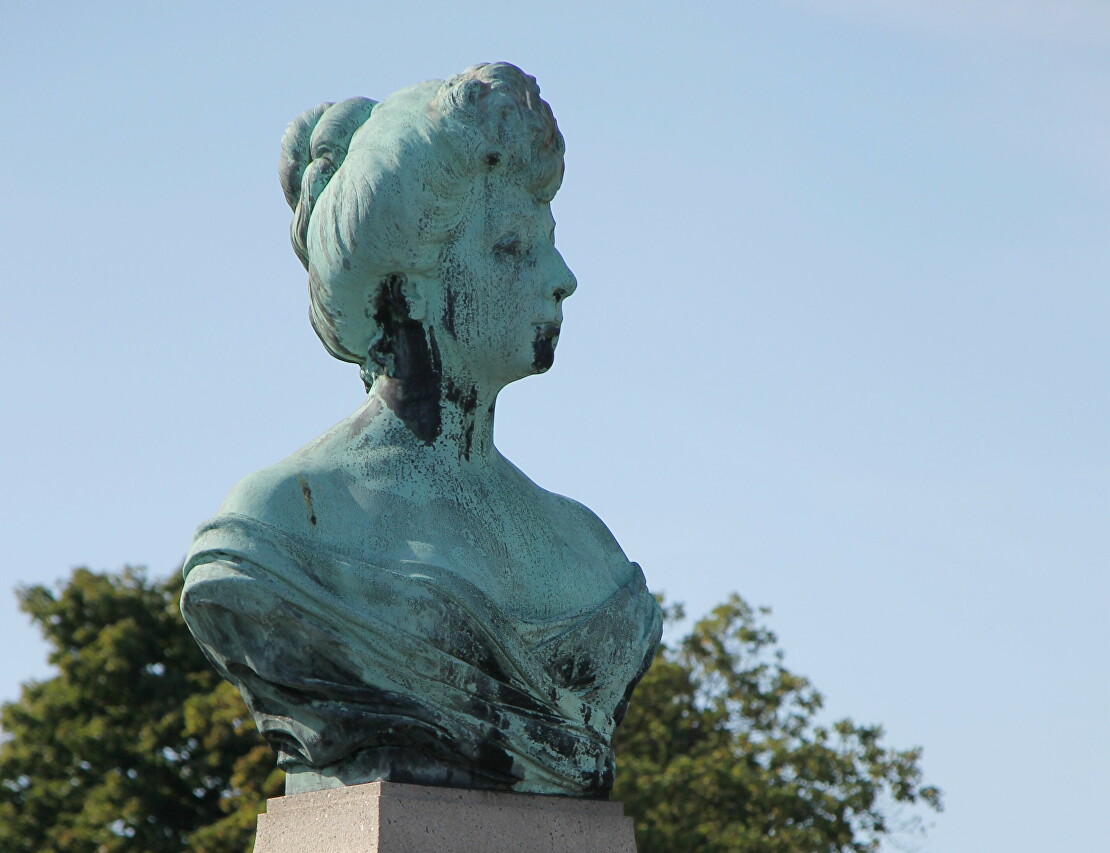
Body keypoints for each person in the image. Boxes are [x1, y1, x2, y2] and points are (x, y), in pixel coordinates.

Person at [180, 62, 662, 798]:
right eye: (512, 247)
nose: (562, 275)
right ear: (411, 286)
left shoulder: (590, 552)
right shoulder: (277, 528)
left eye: (550, 242)